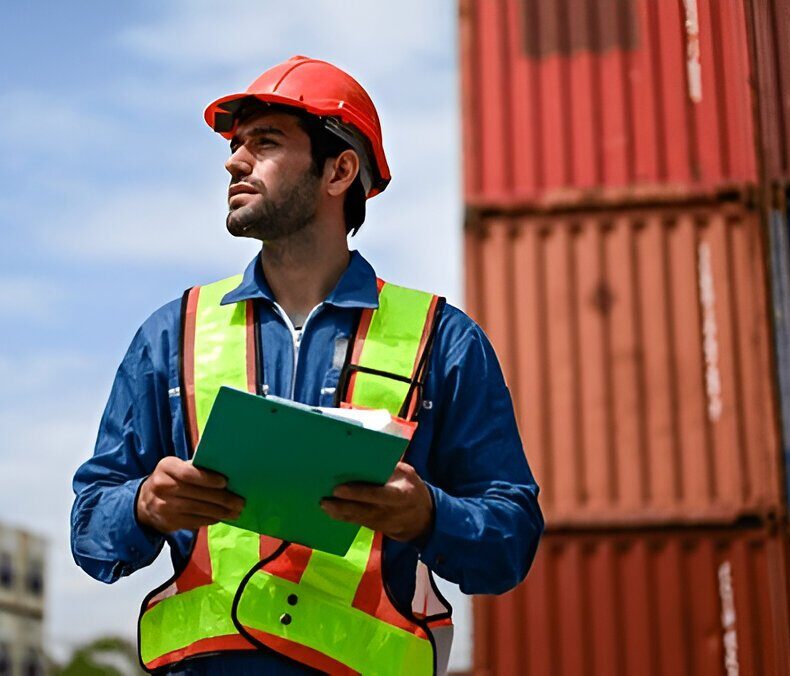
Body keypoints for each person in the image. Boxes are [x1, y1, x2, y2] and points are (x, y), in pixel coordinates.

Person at [71, 55, 544, 675]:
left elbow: (510, 538)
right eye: (237, 144)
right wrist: (145, 506)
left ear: (340, 170)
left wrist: (429, 513)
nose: (234, 161)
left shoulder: (443, 341)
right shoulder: (171, 335)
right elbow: (90, 525)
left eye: (264, 143)